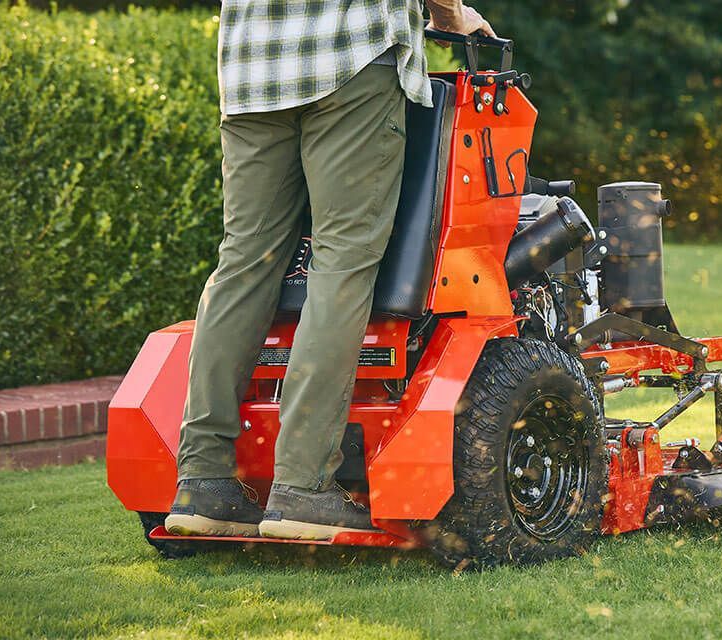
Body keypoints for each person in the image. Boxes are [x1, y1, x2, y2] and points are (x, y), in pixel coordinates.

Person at [164, 0, 495, 540]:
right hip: (349, 59)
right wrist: (451, 16)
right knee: (342, 259)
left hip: (252, 66)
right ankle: (302, 488)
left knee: (244, 259)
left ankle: (203, 483)